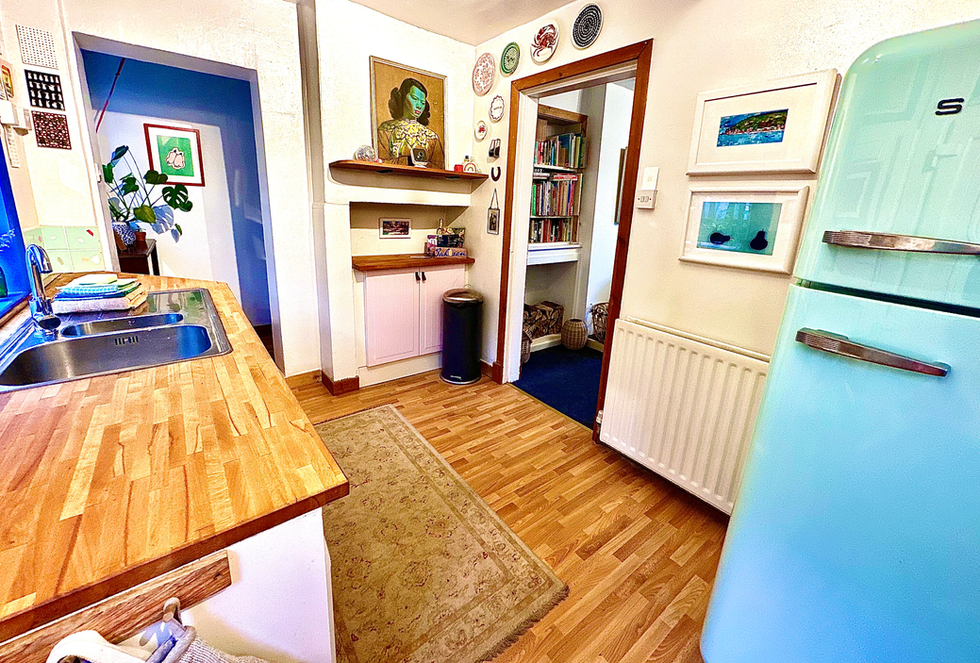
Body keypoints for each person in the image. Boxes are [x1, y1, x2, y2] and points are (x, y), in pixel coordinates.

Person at [377, 78, 444, 169]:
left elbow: (439, 168)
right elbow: (381, 162)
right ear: (403, 97)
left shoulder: (432, 137)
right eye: (414, 99)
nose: (419, 106)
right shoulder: (385, 130)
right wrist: (408, 161)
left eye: (422, 102)